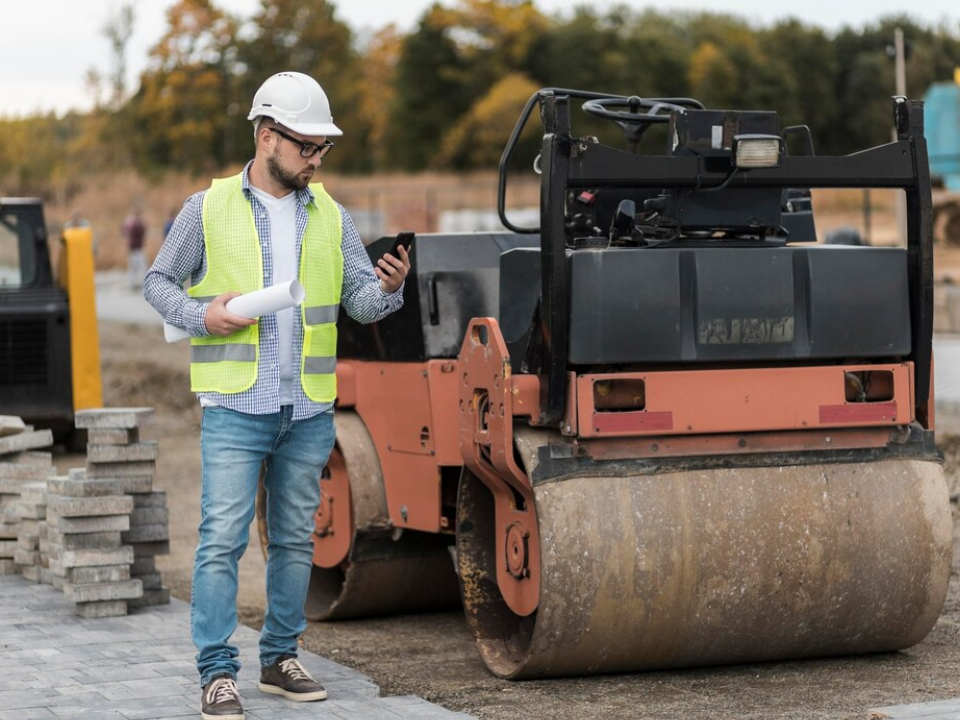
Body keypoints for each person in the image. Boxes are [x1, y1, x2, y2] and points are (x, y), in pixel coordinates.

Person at [143, 71, 410, 720]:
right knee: (221, 541)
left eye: (324, 149)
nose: (317, 160)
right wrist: (207, 316)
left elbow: (359, 303)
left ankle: (280, 657)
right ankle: (216, 673)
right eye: (307, 147)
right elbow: (157, 284)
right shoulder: (206, 209)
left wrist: (390, 288)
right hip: (235, 405)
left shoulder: (333, 217)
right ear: (268, 138)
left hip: (308, 408)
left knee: (295, 540)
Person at [122, 207, 147, 288]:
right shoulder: (136, 224)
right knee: (140, 267)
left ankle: (132, 283)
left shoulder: (129, 223)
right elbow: (142, 230)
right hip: (136, 249)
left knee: (133, 268)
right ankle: (139, 283)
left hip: (133, 249)